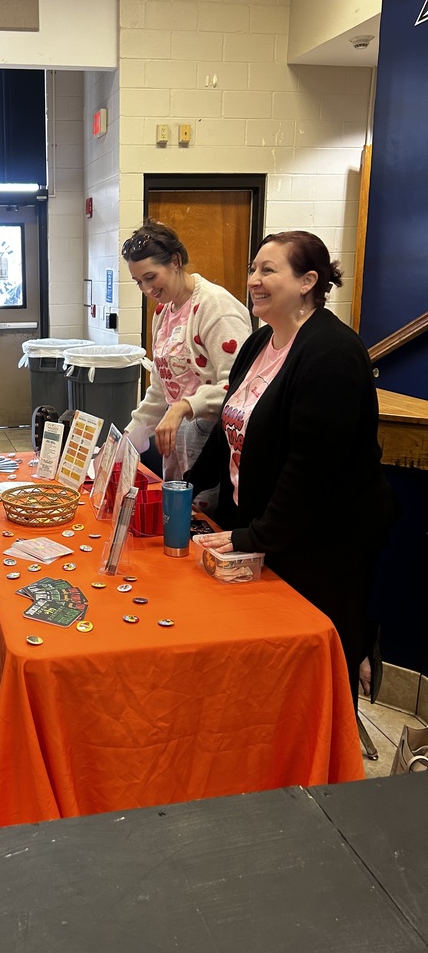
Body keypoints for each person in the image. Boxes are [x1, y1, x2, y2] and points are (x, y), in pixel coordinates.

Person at [188, 230, 394, 702]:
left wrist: (251, 537)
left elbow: (310, 472)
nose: (254, 280)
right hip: (269, 529)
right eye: (253, 270)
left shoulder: (332, 353)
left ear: (308, 281)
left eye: (268, 270)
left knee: (313, 678)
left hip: (322, 546)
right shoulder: (259, 343)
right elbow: (228, 428)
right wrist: (184, 482)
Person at [123, 219, 252, 504]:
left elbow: (239, 389)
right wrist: (129, 438)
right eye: (139, 282)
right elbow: (161, 387)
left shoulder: (216, 307)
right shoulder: (164, 313)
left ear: (176, 261)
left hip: (213, 444)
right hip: (177, 443)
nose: (146, 289)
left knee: (203, 525)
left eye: (151, 277)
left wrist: (185, 406)